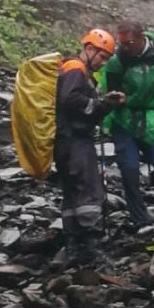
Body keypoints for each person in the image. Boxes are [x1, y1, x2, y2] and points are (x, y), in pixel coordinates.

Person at [98, 21, 154, 232]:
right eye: (121, 43)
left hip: (151, 117)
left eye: (128, 43)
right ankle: (140, 220)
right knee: (129, 168)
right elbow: (111, 89)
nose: (124, 47)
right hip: (124, 118)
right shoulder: (117, 61)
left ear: (141, 37)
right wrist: (115, 98)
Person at [54, 28, 124, 265]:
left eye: (106, 59)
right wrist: (100, 104)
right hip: (75, 141)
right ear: (89, 49)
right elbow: (70, 100)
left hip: (63, 141)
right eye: (102, 56)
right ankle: (91, 247)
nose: (103, 63)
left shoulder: (70, 68)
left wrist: (102, 104)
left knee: (71, 192)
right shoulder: (76, 69)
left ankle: (73, 246)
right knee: (88, 190)